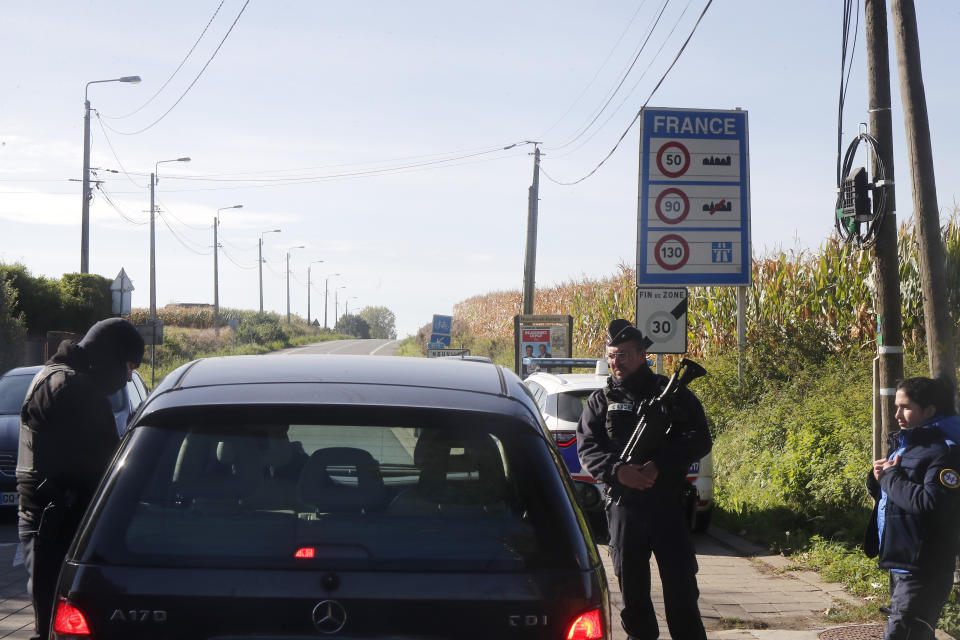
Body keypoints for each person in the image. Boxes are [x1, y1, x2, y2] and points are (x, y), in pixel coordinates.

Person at [577, 318, 711, 640]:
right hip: (625, 509)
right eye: (611, 355)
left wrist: (659, 465)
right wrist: (618, 471)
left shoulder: (672, 394)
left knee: (681, 592)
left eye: (623, 355)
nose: (616, 362)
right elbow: (588, 447)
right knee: (633, 598)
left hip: (666, 505)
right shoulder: (601, 400)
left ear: (641, 355)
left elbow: (699, 439)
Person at [17, 317, 145, 640]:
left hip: (43, 521)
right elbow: (108, 472)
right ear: (110, 355)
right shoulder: (76, 390)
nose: (128, 377)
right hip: (59, 527)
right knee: (58, 626)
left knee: (47, 620)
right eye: (128, 366)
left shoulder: (50, 375)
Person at [864, 376, 960, 640]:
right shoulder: (907, 445)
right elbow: (894, 497)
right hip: (902, 560)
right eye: (896, 406)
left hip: (924, 566)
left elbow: (930, 503)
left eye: (905, 407)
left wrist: (890, 478)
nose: (897, 414)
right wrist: (877, 479)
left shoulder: (944, 451)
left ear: (929, 410)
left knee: (903, 633)